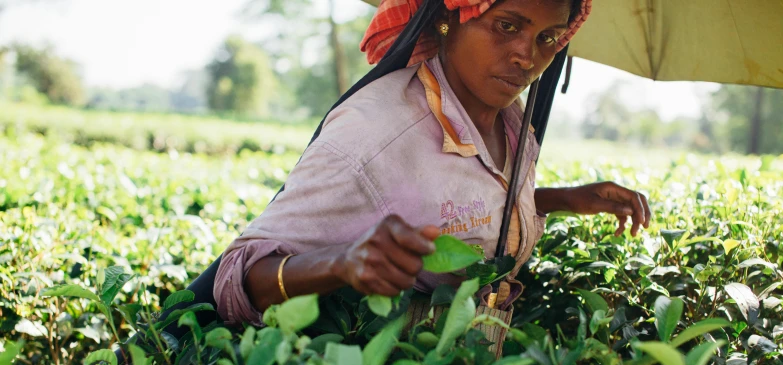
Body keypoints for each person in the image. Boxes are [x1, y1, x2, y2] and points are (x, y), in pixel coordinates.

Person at [213, 0, 651, 327]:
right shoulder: (376, 133)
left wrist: (565, 199)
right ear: (449, 16)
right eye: (506, 25)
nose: (527, 56)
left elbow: (453, 203)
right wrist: (341, 262)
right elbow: (239, 277)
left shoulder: (510, 119)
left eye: (548, 38)